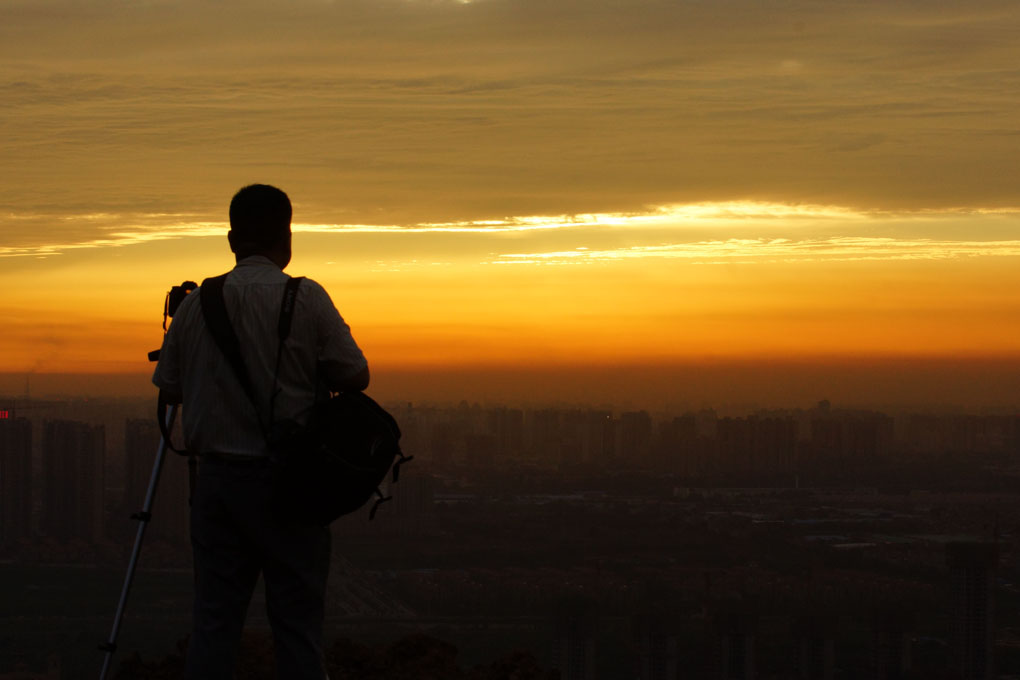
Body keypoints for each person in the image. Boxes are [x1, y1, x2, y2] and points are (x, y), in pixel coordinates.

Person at [152, 184, 369, 679]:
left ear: (232, 239)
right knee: (297, 627)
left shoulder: (196, 304)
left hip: (219, 486)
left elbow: (168, 387)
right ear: (286, 237)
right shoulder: (306, 298)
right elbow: (355, 375)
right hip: (292, 488)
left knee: (214, 623)